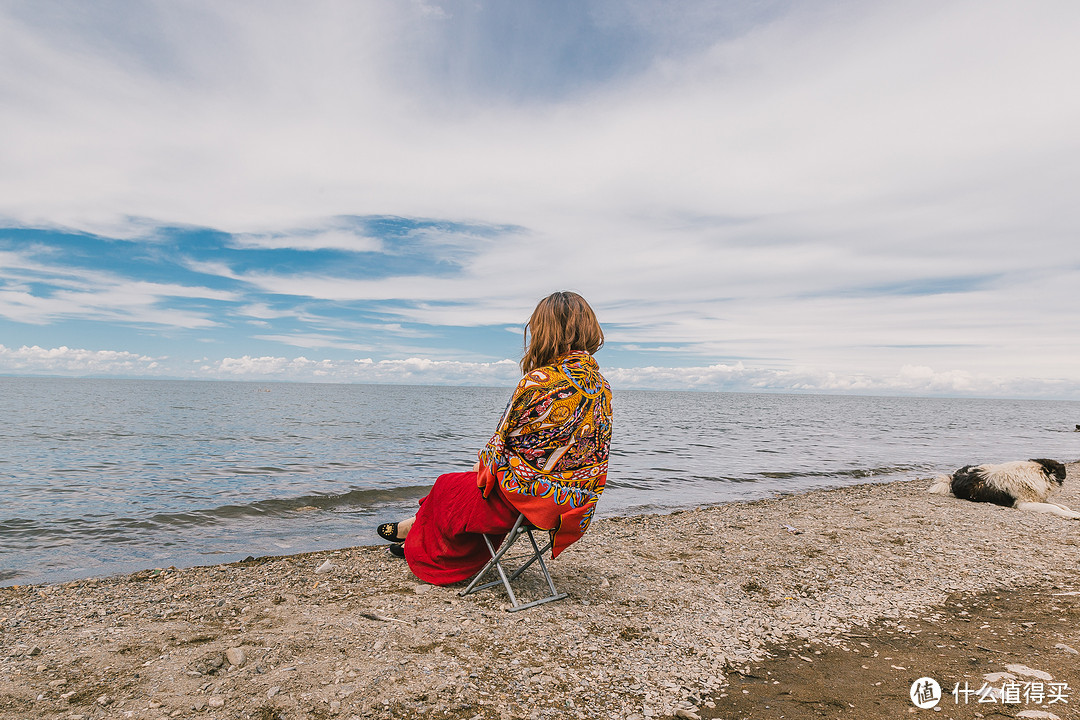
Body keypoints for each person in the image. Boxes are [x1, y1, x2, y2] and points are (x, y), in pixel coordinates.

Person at [376, 291, 613, 585]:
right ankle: (412, 530)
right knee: (459, 485)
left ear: (544, 331)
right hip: (574, 507)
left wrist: (485, 467)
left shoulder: (538, 381)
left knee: (447, 484)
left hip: (531, 505)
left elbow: (496, 449)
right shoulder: (601, 386)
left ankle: (414, 533)